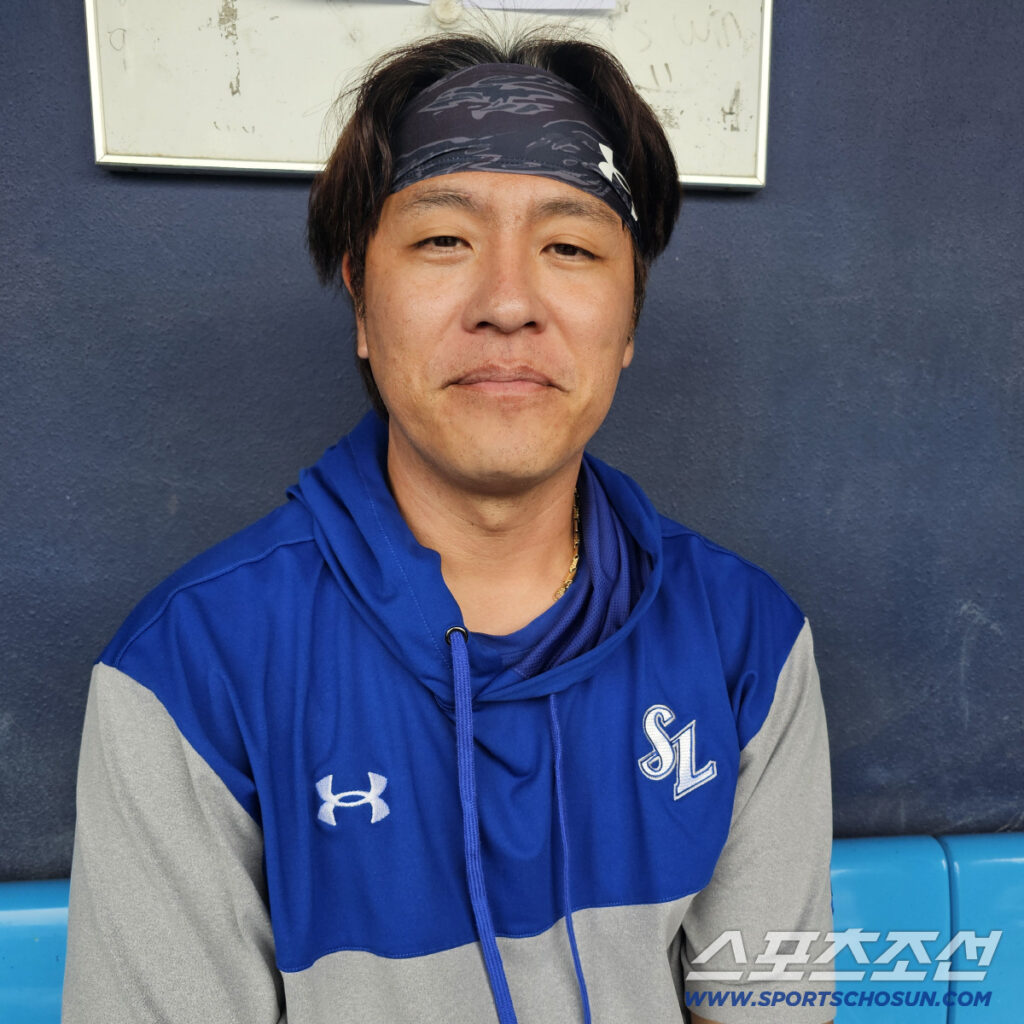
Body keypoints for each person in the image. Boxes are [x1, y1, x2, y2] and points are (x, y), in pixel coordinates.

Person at [63, 30, 833, 1024]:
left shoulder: (745, 640)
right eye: (442, 241)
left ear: (629, 320)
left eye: (569, 247)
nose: (507, 303)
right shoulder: (189, 670)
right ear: (360, 300)